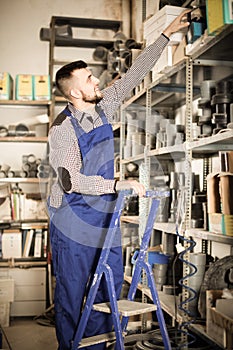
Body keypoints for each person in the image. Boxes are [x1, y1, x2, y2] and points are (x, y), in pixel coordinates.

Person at [47, 9, 190, 350]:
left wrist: (167, 34)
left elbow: (134, 73)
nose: (98, 82)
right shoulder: (63, 129)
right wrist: (118, 185)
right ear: (75, 94)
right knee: (72, 291)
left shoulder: (104, 108)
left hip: (103, 216)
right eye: (90, 81)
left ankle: (97, 346)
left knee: (104, 289)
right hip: (72, 218)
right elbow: (72, 181)